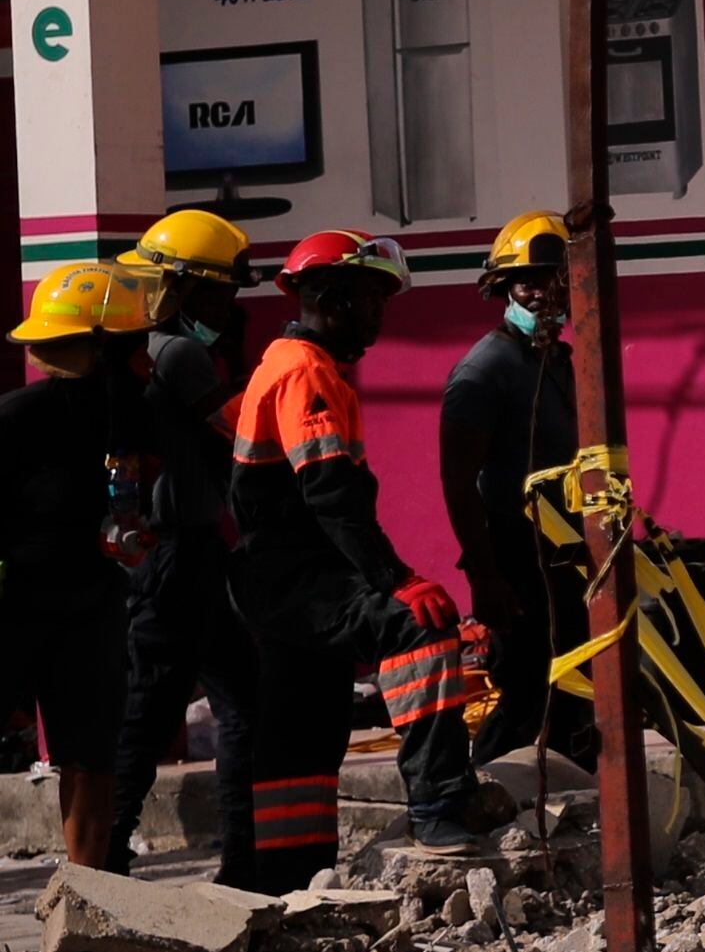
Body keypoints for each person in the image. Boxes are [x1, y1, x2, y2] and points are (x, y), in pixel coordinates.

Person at [225, 232, 491, 884]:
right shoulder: (304, 371)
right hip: (295, 577)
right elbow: (331, 492)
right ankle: (440, 806)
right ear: (333, 298)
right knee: (420, 626)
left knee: (305, 724)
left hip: (285, 577)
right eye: (372, 298)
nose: (380, 313)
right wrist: (395, 580)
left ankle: (288, 872)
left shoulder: (299, 365)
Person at [0, 262, 156, 870]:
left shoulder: (132, 415)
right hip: (14, 608)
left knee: (91, 757)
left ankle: (86, 900)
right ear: (101, 348)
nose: (147, 353)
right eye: (136, 341)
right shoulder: (16, 420)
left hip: (90, 611)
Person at [114, 210, 260, 850]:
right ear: (182, 288)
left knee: (238, 697)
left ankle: (239, 856)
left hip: (185, 554)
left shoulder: (149, 350)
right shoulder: (178, 353)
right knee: (154, 712)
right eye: (220, 292)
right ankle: (107, 856)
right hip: (180, 558)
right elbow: (241, 431)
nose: (228, 306)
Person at [440, 213, 592, 771]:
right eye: (530, 281)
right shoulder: (485, 371)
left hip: (565, 553)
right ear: (502, 289)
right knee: (528, 688)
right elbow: (458, 482)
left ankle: (567, 799)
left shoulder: (558, 363)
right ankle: (489, 789)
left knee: (575, 688)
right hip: (515, 554)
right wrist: (485, 575)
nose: (546, 293)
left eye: (557, 279)